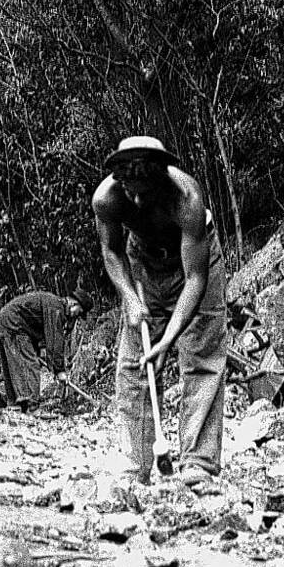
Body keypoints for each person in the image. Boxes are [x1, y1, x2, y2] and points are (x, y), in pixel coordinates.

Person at [92, 135, 228, 486]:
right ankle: (135, 461)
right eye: (130, 190)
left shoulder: (187, 198)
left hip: (196, 262)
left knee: (201, 355)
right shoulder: (107, 199)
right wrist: (130, 298)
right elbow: (111, 251)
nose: (136, 199)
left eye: (144, 191)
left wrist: (168, 339)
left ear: (159, 177)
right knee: (135, 361)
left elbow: (195, 280)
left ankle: (198, 462)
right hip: (143, 262)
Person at [0, 290, 92, 409]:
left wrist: (42, 350)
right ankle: (31, 405)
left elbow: (38, 328)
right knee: (30, 364)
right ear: (74, 304)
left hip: (4, 322)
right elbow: (54, 340)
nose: (77, 316)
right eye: (79, 312)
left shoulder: (53, 304)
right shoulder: (56, 308)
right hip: (14, 324)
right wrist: (59, 370)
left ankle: (14, 404)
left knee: (12, 366)